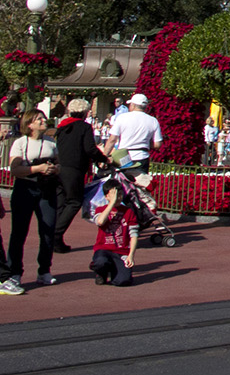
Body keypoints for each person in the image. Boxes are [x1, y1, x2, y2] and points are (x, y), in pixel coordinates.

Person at [7, 111, 60, 288]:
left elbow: (59, 164)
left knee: (48, 230)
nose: (44, 121)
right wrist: (37, 169)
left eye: (44, 118)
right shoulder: (20, 143)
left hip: (46, 189)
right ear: (29, 124)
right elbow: (15, 169)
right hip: (25, 189)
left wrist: (54, 169)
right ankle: (14, 272)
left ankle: (44, 270)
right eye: (39, 119)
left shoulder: (51, 143)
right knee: (19, 232)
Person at [53, 97, 107, 252]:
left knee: (61, 202)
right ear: (84, 112)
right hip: (74, 168)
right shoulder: (84, 127)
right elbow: (89, 149)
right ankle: (56, 233)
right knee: (74, 202)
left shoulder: (62, 126)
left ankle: (54, 237)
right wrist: (102, 158)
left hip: (60, 167)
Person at [90, 178, 139, 287]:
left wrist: (131, 255)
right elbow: (100, 221)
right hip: (103, 249)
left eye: (120, 195)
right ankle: (101, 273)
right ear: (106, 196)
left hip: (121, 251)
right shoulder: (100, 209)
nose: (118, 198)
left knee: (123, 281)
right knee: (100, 262)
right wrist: (111, 203)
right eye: (114, 195)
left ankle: (115, 270)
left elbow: (134, 235)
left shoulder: (128, 212)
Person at [103, 92, 162, 180]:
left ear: (133, 105)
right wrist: (144, 142)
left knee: (123, 184)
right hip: (142, 156)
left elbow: (112, 139)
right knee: (140, 185)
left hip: (124, 156)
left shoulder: (122, 118)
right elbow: (157, 144)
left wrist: (104, 156)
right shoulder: (153, 121)